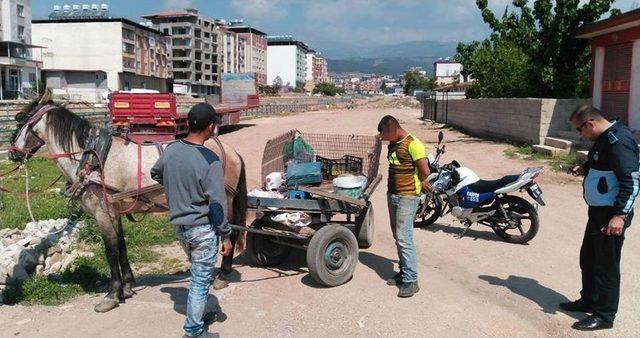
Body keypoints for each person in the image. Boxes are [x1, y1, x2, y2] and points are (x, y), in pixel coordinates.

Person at [151, 103, 233, 338]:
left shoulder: (172, 149)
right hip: (202, 230)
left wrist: (176, 188)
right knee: (199, 280)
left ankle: (201, 313)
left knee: (199, 273)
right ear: (210, 128)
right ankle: (193, 332)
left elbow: (155, 173)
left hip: (180, 228)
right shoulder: (210, 160)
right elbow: (216, 204)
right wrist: (226, 235)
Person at [562, 105, 639, 331]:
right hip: (598, 211)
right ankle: (589, 299)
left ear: (590, 124)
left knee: (606, 265)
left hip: (611, 214)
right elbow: (601, 162)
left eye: (579, 130)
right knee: (589, 258)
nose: (580, 135)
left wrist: (620, 216)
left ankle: (604, 315)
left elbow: (631, 180)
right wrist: (584, 167)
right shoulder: (604, 138)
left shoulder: (618, 141)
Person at [377, 115, 430, 298]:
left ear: (393, 130)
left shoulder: (414, 144)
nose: (383, 139)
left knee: (404, 237)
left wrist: (420, 183)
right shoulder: (394, 143)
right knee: (397, 235)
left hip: (408, 196)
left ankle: (411, 280)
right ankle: (403, 271)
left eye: (384, 134)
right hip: (393, 194)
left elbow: (425, 171)